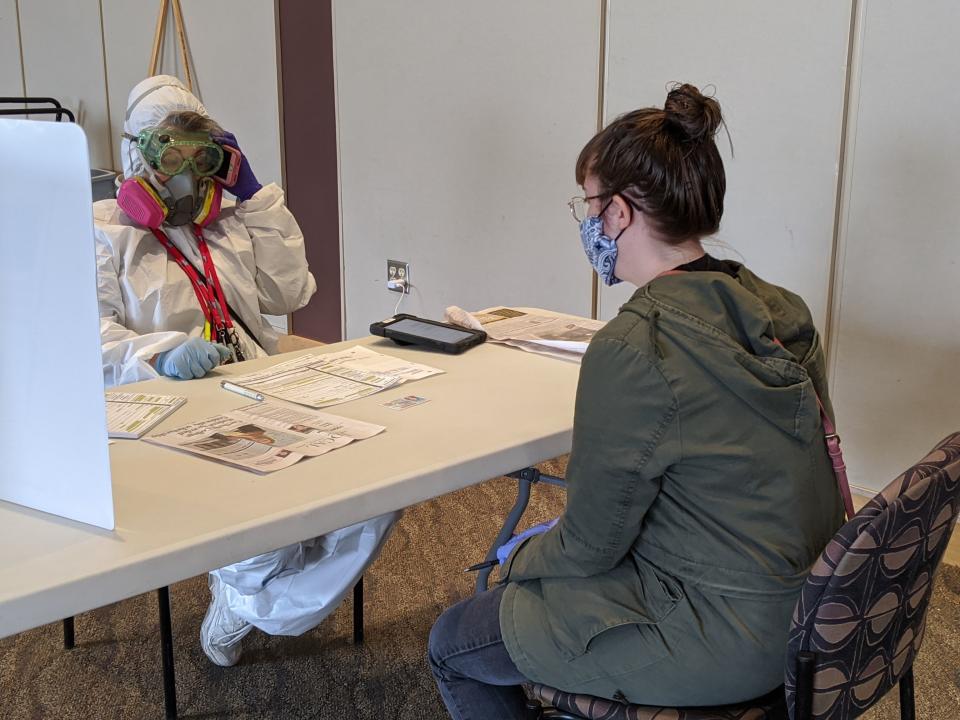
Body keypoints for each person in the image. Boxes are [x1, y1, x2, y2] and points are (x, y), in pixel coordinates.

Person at [427, 83, 845, 718]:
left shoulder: (634, 346)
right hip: (813, 611)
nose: (588, 222)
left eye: (589, 205)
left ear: (619, 213)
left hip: (721, 636)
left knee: (453, 641)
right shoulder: (779, 308)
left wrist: (516, 560)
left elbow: (591, 546)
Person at [95, 75, 398, 667]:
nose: (186, 173)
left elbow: (288, 293)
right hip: (166, 408)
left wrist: (258, 199)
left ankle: (250, 594)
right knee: (265, 524)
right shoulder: (103, 232)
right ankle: (251, 596)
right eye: (169, 155)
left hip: (258, 387)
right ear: (138, 155)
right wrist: (159, 354)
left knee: (381, 485)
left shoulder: (231, 219)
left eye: (200, 156)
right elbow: (86, 339)